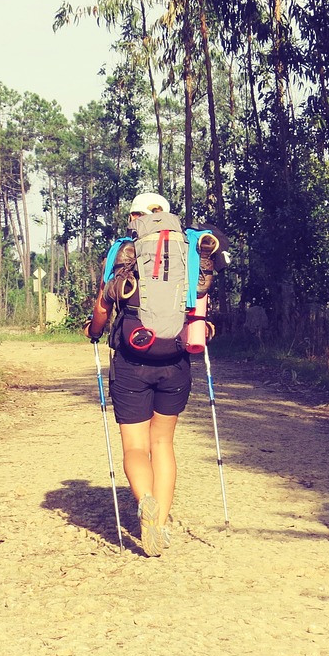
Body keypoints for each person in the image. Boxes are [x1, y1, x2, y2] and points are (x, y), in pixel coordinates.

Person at [85, 192, 192, 557]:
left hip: (132, 358)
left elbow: (103, 304)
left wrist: (94, 330)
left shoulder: (122, 251)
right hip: (176, 359)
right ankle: (159, 525)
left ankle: (145, 500)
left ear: (137, 217)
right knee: (163, 443)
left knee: (135, 446)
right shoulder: (189, 250)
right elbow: (197, 301)